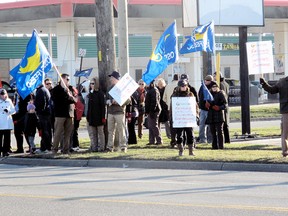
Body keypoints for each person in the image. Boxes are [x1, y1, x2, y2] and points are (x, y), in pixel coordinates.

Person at [260, 76, 288, 157]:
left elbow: (272, 90)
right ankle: (285, 151)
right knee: (285, 133)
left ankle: (285, 151)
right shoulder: (282, 81)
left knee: (285, 133)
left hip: (285, 110)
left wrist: (264, 83)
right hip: (285, 109)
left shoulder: (282, 81)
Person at [170, 80, 199, 156]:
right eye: (182, 86)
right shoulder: (175, 95)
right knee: (179, 135)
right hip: (179, 119)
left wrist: (196, 115)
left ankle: (191, 151)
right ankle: (181, 150)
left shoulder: (190, 95)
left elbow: (195, 107)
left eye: (185, 86)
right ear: (179, 87)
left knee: (190, 135)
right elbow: (172, 108)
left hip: (188, 119)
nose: (184, 87)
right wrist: (172, 118)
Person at [51, 73, 77, 154]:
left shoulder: (70, 88)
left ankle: (66, 150)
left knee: (68, 133)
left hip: (69, 113)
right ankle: (54, 149)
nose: (68, 81)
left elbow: (74, 100)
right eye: (67, 79)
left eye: (69, 79)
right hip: (60, 114)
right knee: (58, 133)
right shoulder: (56, 89)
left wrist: (70, 95)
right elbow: (57, 101)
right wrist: (65, 93)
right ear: (62, 79)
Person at [106, 71, 129, 153]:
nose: (111, 79)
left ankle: (123, 146)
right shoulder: (109, 88)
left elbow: (128, 100)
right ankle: (110, 147)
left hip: (119, 112)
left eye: (112, 77)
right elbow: (106, 98)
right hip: (110, 112)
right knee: (110, 131)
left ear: (116, 78)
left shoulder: (122, 88)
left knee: (121, 130)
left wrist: (119, 101)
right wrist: (108, 101)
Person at [85, 77, 106, 152]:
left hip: (99, 116)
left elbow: (103, 107)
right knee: (93, 134)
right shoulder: (90, 94)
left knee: (100, 133)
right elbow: (89, 107)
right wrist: (88, 116)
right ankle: (94, 147)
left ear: (96, 84)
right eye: (90, 83)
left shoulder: (100, 94)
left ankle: (101, 147)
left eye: (93, 83)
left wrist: (103, 117)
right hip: (91, 117)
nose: (91, 85)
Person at [205, 81, 228, 150]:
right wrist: (207, 105)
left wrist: (219, 107)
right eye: (213, 87)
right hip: (211, 115)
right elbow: (205, 103)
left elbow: (225, 104)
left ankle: (221, 146)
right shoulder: (209, 94)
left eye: (215, 87)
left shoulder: (221, 93)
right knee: (212, 132)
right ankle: (214, 146)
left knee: (220, 131)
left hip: (219, 115)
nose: (214, 88)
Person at [34, 81, 52, 153]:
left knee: (45, 131)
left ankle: (47, 147)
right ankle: (44, 147)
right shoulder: (44, 90)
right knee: (45, 131)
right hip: (46, 113)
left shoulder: (41, 91)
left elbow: (42, 103)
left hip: (43, 114)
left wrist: (39, 111)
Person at [214, 72, 230, 143]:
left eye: (214, 76)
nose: (214, 78)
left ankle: (225, 140)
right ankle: (227, 139)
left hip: (222, 105)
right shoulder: (226, 83)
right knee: (226, 124)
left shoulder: (220, 85)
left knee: (223, 124)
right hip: (226, 105)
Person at [163, 74, 179, 147]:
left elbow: (164, 98)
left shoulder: (168, 85)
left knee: (172, 125)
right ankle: (179, 140)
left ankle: (173, 140)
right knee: (179, 125)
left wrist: (168, 104)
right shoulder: (180, 86)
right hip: (180, 108)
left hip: (170, 108)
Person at [145, 80, 162, 145]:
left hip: (154, 110)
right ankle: (151, 140)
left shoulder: (154, 90)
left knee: (154, 125)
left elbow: (154, 102)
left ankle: (159, 140)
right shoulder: (150, 90)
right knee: (151, 126)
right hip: (151, 110)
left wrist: (152, 111)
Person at [198, 75, 214, 143]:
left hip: (210, 109)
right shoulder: (202, 87)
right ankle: (202, 138)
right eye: (205, 80)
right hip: (202, 109)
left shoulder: (213, 87)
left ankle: (210, 139)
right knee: (202, 124)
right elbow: (199, 95)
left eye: (207, 80)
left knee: (210, 125)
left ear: (211, 81)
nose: (206, 81)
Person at [0, 89, 16, 157]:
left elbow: (13, 110)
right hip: (0, 122)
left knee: (7, 138)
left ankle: (5, 151)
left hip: (7, 121)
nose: (3, 96)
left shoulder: (9, 101)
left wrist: (9, 111)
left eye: (4, 94)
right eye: (2, 95)